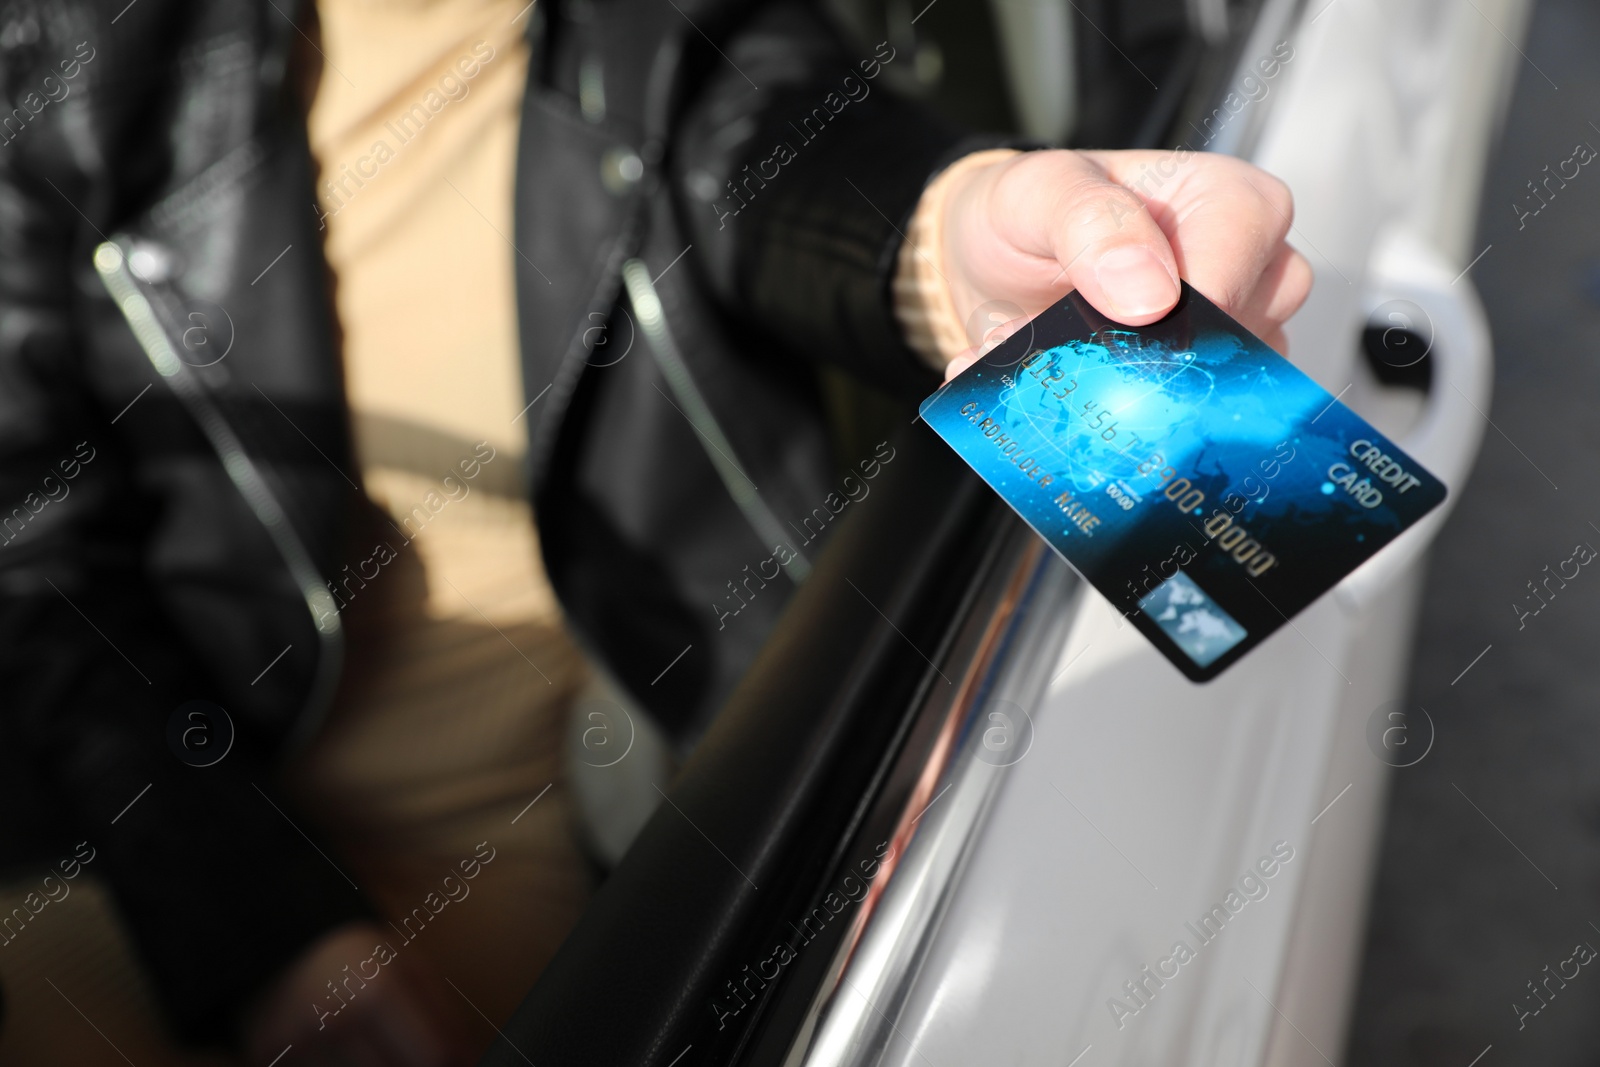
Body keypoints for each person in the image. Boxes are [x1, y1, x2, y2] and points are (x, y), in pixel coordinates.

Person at [0, 0, 1309, 1063]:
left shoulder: (666, 32)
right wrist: (268, 934)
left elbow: (787, 152)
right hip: (150, 833)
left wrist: (960, 243)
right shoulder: (65, 65)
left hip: (525, 844)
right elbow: (36, 556)